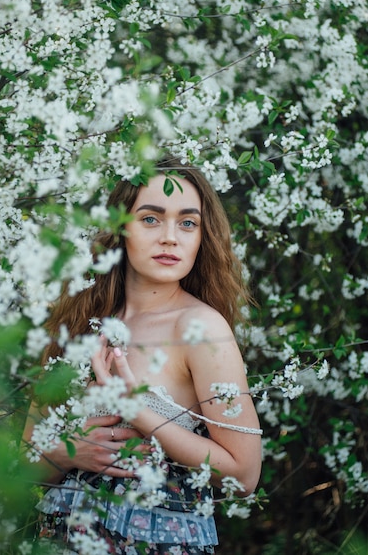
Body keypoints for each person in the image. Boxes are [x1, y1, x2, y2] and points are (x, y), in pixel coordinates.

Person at [23, 157, 262, 554]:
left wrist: (135, 409)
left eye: (188, 223)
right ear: (120, 228)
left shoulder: (200, 328)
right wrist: (69, 451)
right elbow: (24, 467)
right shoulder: (80, 324)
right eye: (151, 218)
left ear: (203, 236)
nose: (171, 237)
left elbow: (244, 473)